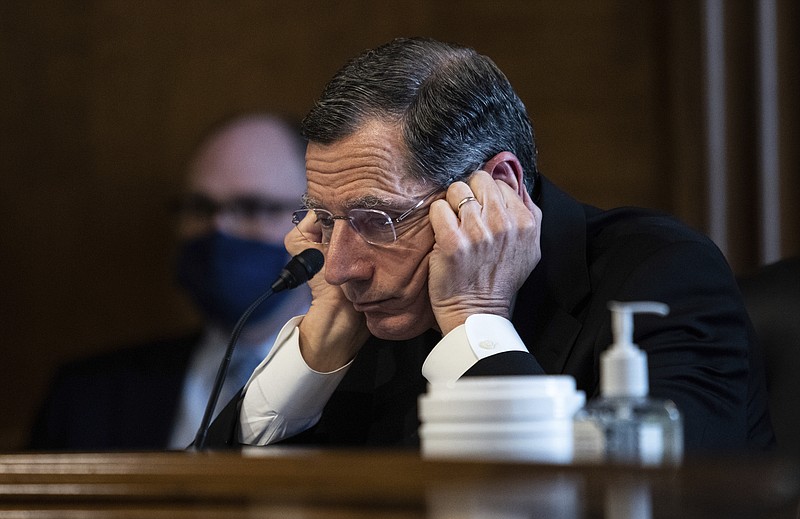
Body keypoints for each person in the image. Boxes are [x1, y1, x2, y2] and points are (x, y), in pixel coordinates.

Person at [204, 38, 774, 454]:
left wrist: (474, 321)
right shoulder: (371, 309)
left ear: (495, 189)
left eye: (377, 219)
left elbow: (641, 507)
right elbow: (210, 506)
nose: (342, 266)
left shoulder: (663, 276)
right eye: (323, 220)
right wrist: (317, 346)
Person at [28, 114, 311, 450]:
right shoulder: (86, 394)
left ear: (315, 223)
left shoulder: (375, 392)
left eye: (251, 208)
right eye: (200, 208)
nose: (220, 230)